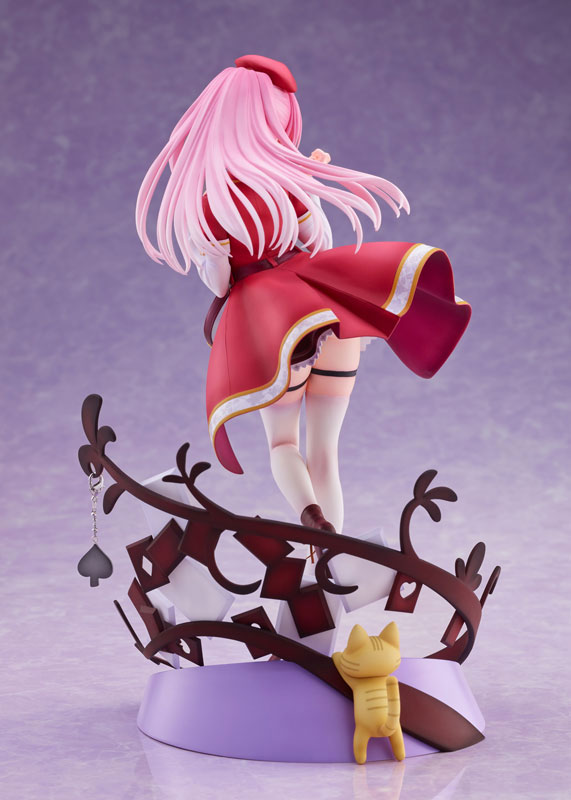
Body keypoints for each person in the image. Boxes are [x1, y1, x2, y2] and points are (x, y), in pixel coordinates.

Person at [136, 54, 471, 537]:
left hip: (272, 328)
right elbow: (318, 246)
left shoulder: (212, 207)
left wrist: (213, 252)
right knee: (325, 453)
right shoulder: (287, 189)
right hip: (323, 313)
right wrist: (306, 187)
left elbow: (221, 285)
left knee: (282, 446)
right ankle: (334, 553)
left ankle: (313, 521)